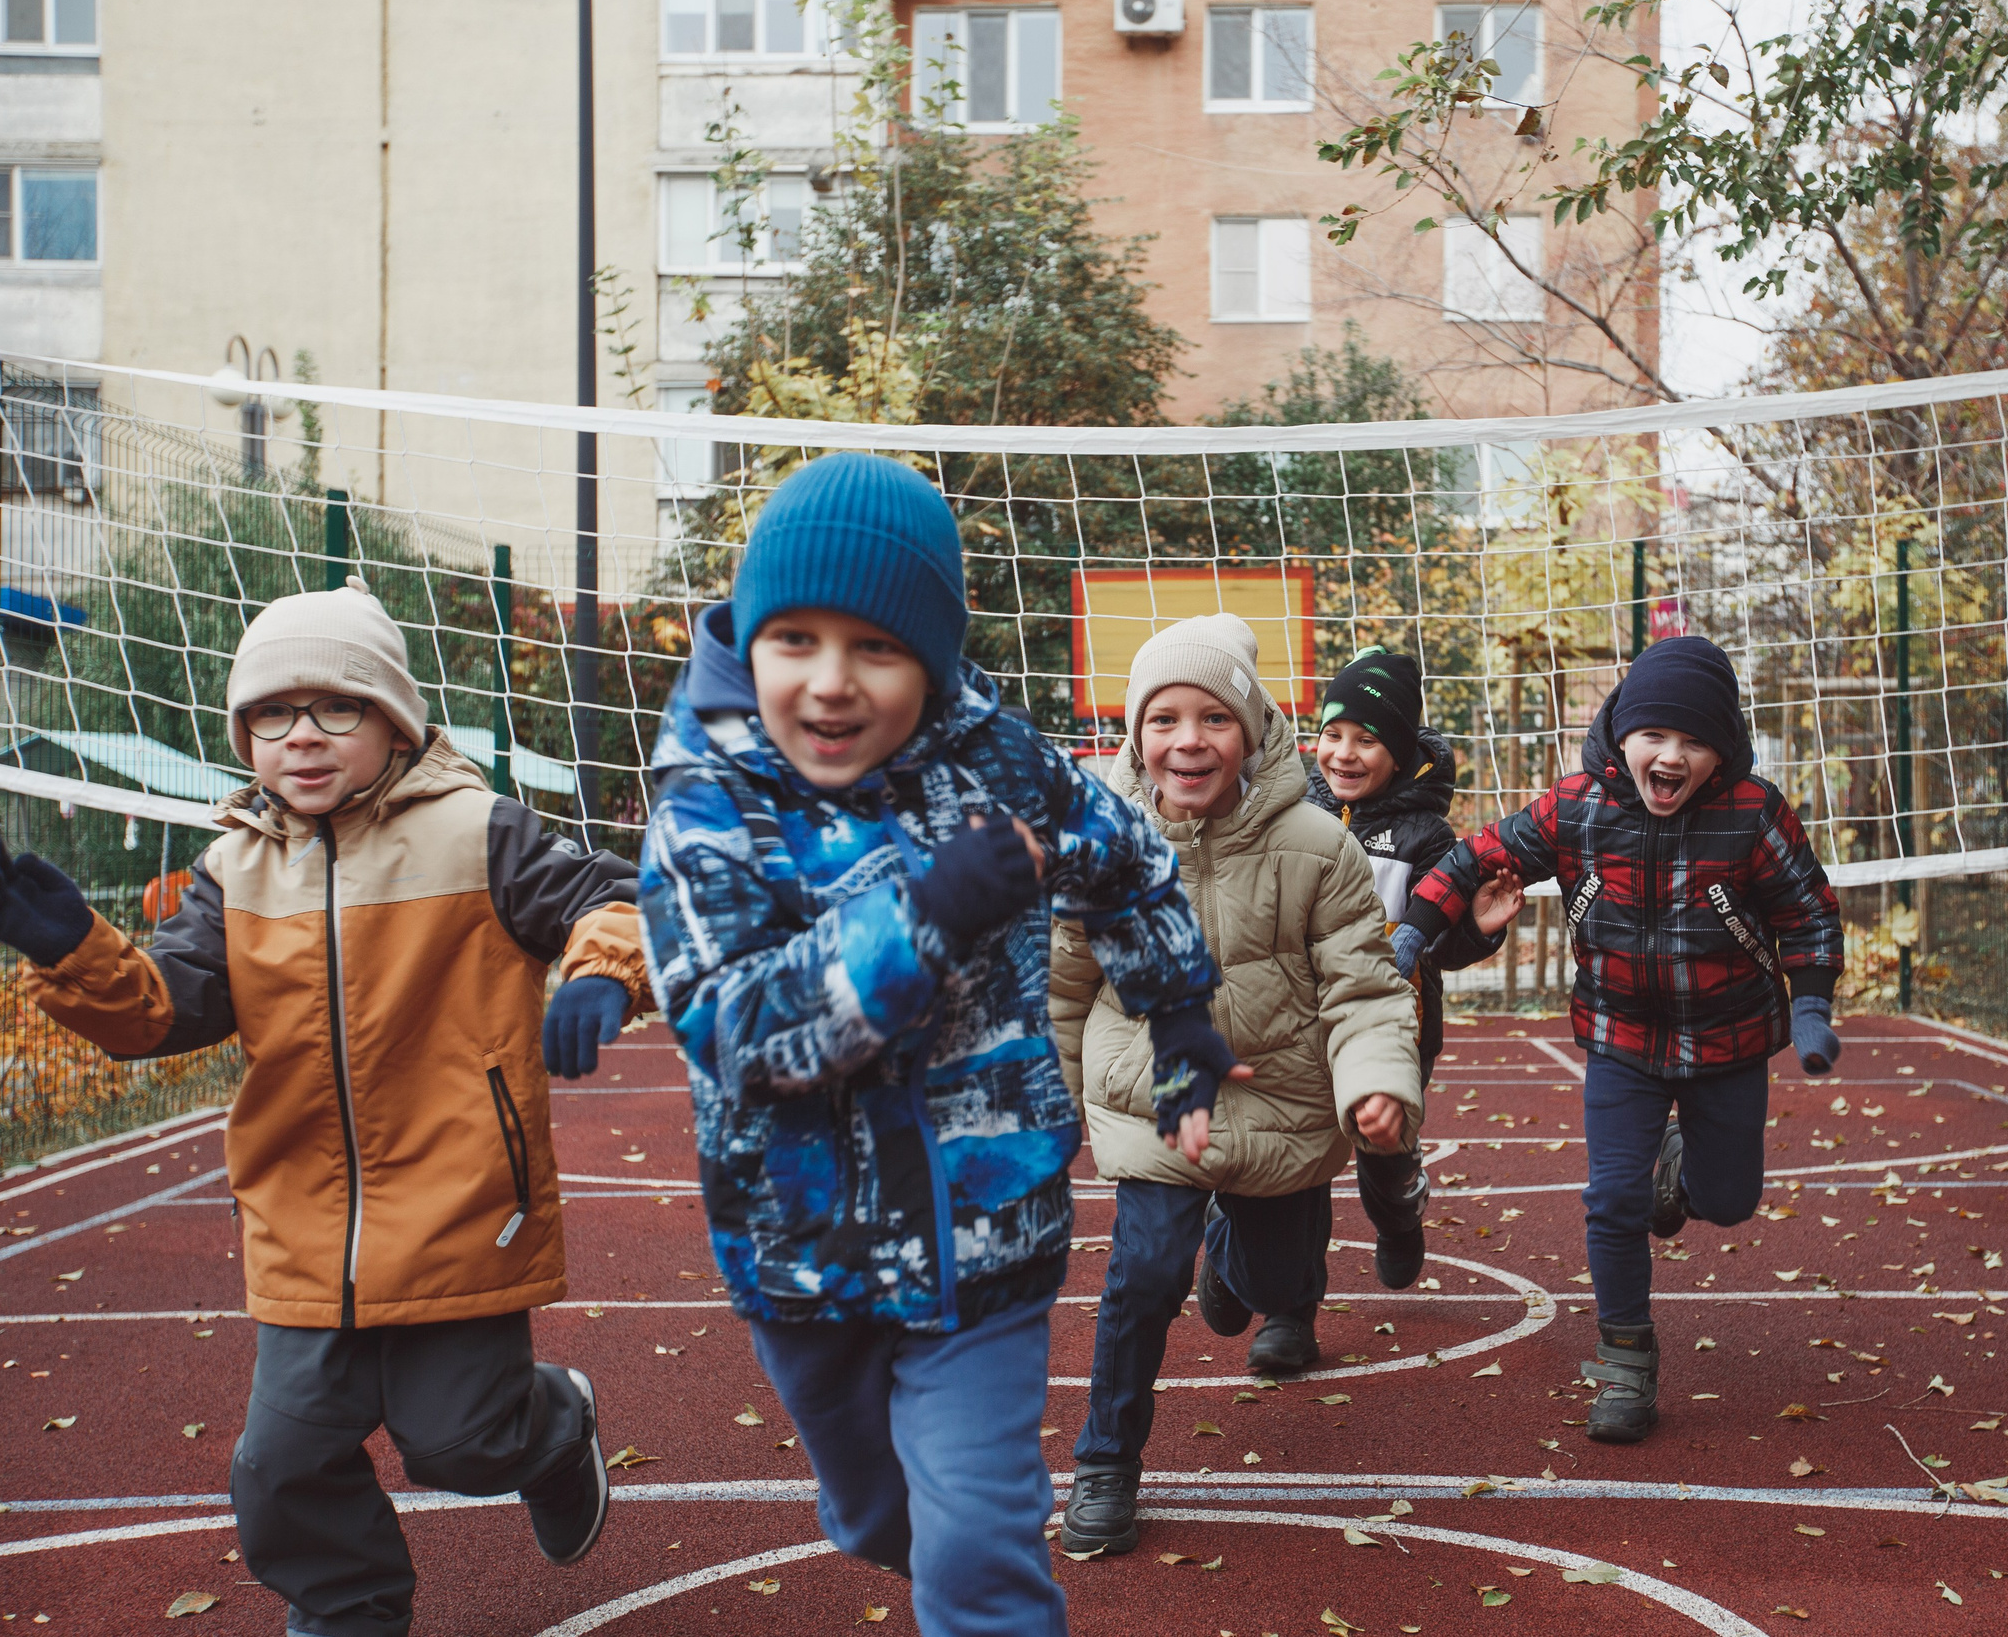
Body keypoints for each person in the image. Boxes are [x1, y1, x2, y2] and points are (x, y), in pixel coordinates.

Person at [0, 576, 648, 1636]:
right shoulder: (233, 871)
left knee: (460, 1445)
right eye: (273, 715)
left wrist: (603, 971)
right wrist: (74, 952)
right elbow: (160, 1014)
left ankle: (552, 1424)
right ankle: (348, 1612)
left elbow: (613, 897)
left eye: (339, 707)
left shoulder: (480, 834)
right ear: (246, 737)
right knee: (280, 1470)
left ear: (394, 722)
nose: (304, 736)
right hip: (302, 1226)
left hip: (459, 1211)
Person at [637, 453, 1231, 1637]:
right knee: (874, 1521)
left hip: (986, 1235)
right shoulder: (709, 801)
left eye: (877, 649)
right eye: (793, 640)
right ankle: (938, 1551)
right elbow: (740, 1030)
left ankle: (986, 1592)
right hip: (804, 1248)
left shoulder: (1002, 760)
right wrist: (924, 915)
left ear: (936, 657)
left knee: (976, 1549)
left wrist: (1176, 1008)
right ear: (749, 640)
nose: (829, 684)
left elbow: (1125, 859)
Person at [1391, 635, 1843, 1445]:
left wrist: (1810, 1005)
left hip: (1728, 1040)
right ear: (1623, 734)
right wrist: (1416, 929)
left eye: (1695, 741)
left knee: (1730, 1199)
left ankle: (1682, 1171)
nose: (1672, 756)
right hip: (1620, 1037)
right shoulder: (1576, 807)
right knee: (1613, 1200)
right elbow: (1472, 858)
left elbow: (1807, 911)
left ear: (1722, 749)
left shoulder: (1753, 812)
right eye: (1655, 736)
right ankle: (1626, 1356)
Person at [1052, 613, 1423, 1557]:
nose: (1188, 739)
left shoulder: (1317, 846)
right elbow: (1058, 990)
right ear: (1136, 736)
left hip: (1284, 1101)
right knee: (1139, 1277)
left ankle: (1243, 1252)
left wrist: (1377, 1085)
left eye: (1214, 717)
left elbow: (1365, 986)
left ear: (1252, 732)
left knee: (1278, 1281)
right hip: (1155, 1094)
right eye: (1164, 718)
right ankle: (1106, 1464)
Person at [1304, 645, 1511, 1286]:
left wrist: (1475, 930)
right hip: (1298, 1023)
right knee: (1293, 1164)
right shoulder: (1292, 814)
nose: (1343, 753)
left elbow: (1438, 946)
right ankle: (1288, 1310)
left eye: (1365, 740)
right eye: (1332, 734)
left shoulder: (1426, 838)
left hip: (1395, 1026)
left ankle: (1399, 1215)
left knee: (1380, 1158)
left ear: (1398, 753)